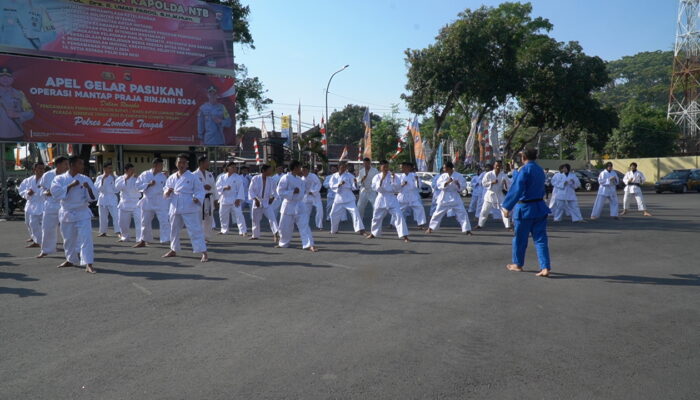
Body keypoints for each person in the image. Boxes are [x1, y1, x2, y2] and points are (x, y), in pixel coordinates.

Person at [502, 148, 552, 277]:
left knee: (520, 239)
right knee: (541, 239)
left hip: (525, 209)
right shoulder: (539, 170)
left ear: (524, 157)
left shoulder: (524, 170)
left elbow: (517, 188)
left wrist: (507, 206)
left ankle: (518, 264)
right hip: (539, 207)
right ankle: (545, 267)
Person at [50, 156, 97, 273]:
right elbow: (55, 193)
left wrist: (89, 189)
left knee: (86, 238)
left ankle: (88, 263)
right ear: (72, 165)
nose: (83, 166)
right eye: (80, 164)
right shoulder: (59, 179)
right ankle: (70, 259)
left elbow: (93, 197)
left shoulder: (85, 179)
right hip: (67, 212)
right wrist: (71, 185)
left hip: (82, 212)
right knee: (68, 239)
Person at [162, 154, 208, 263]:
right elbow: (165, 189)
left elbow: (200, 190)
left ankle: (204, 252)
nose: (181, 164)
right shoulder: (171, 177)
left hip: (189, 205)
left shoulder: (192, 177)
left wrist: (197, 198)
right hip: (175, 205)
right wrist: (167, 192)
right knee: (173, 229)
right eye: (179, 162)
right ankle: (173, 249)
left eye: (183, 162)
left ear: (187, 164)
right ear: (176, 163)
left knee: (195, 230)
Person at [275, 160, 317, 252]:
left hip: (300, 204)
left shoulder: (300, 179)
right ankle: (283, 243)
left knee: (304, 225)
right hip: (288, 204)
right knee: (284, 226)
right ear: (295, 168)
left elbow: (305, 190)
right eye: (299, 167)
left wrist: (303, 185)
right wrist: (292, 192)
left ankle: (309, 244)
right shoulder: (285, 178)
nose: (301, 169)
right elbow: (280, 192)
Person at [366, 160, 409, 242]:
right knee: (376, 217)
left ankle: (404, 235)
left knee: (399, 216)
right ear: (380, 167)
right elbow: (375, 188)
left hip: (391, 198)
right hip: (381, 198)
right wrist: (382, 179)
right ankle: (373, 233)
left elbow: (398, 189)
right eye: (384, 166)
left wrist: (394, 180)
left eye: (387, 166)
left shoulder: (394, 176)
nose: (386, 168)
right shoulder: (377, 177)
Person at [426, 162, 472, 235]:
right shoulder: (443, 176)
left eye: (445, 168)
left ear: (450, 168)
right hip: (444, 196)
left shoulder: (459, 176)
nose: (444, 169)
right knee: (437, 213)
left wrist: (458, 184)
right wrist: (447, 182)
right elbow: (439, 185)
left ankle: (467, 230)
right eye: (444, 168)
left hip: (455, 196)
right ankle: (430, 228)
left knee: (462, 213)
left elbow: (463, 186)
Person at [134, 158, 170, 247]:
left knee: (164, 220)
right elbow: (137, 186)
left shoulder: (163, 176)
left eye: (162, 165)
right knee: (144, 221)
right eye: (160, 165)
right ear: (155, 165)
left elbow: (167, 187)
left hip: (160, 200)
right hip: (147, 200)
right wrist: (148, 184)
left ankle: (166, 239)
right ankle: (144, 240)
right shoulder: (145, 174)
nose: (162, 167)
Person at [37, 155, 68, 258]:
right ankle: (46, 249)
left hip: (65, 205)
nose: (67, 166)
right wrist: (47, 192)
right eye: (65, 164)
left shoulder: (69, 175)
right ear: (58, 164)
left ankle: (74, 250)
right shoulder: (47, 175)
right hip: (50, 205)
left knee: (68, 229)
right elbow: (42, 189)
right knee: (47, 228)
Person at [329, 161, 366, 235]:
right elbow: (331, 185)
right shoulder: (334, 176)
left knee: (355, 213)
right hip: (339, 197)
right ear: (339, 167)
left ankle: (361, 229)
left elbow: (354, 187)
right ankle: (334, 230)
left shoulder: (349, 175)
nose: (344, 168)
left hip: (349, 197)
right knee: (333, 214)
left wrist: (355, 183)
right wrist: (339, 185)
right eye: (343, 167)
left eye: (345, 167)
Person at [0, 66, 34, 141]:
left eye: (8, 76)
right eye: (2, 76)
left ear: (12, 79)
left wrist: (17, 115)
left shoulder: (19, 94)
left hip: (16, 135)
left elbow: (30, 113)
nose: (5, 79)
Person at [476, 160, 511, 230]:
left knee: (504, 210)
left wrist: (505, 184)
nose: (498, 167)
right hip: (490, 194)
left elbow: (508, 187)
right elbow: (484, 183)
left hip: (499, 195)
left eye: (499, 165)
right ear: (494, 166)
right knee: (484, 211)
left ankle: (508, 226)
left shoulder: (504, 176)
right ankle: (480, 225)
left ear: (501, 166)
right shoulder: (489, 174)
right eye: (496, 165)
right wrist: (492, 182)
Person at [248, 164, 279, 241]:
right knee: (255, 220)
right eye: (270, 170)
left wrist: (272, 198)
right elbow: (251, 190)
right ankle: (255, 235)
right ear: (264, 171)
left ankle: (276, 233)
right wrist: (255, 200)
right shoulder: (255, 178)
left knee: (272, 218)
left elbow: (275, 191)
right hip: (257, 201)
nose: (271, 171)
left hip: (266, 202)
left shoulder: (271, 180)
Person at [216, 161, 248, 236]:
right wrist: (224, 188)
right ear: (228, 168)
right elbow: (217, 187)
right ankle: (224, 230)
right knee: (223, 215)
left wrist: (238, 199)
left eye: (235, 167)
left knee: (239, 215)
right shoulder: (222, 177)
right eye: (232, 167)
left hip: (234, 198)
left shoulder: (238, 177)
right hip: (224, 198)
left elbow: (241, 189)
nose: (234, 169)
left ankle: (243, 231)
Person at [115, 163, 143, 243]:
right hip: (124, 203)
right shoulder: (120, 178)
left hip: (136, 203)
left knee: (139, 222)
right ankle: (125, 237)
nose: (133, 171)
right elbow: (117, 188)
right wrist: (126, 179)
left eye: (133, 170)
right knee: (122, 223)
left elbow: (141, 187)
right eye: (131, 170)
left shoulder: (137, 179)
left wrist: (138, 178)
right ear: (126, 170)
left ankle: (140, 238)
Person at [19, 161, 45, 248]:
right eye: (39, 168)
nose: (41, 170)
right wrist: (27, 193)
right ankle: (35, 238)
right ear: (34, 169)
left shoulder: (46, 180)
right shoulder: (28, 180)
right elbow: (21, 190)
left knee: (41, 224)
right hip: (30, 204)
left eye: (43, 168)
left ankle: (40, 241)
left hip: (42, 204)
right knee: (28, 223)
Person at [195, 155, 218, 241]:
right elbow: (193, 187)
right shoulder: (194, 174)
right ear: (201, 163)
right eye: (207, 162)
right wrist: (203, 187)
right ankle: (199, 236)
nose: (208, 164)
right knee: (199, 218)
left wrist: (216, 199)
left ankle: (206, 237)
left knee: (209, 218)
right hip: (199, 199)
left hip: (209, 198)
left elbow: (214, 187)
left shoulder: (210, 175)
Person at [94, 162, 120, 237]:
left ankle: (118, 231)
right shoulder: (99, 177)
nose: (110, 170)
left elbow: (117, 189)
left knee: (115, 215)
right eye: (109, 168)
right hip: (103, 198)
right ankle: (103, 231)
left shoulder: (115, 177)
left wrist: (114, 178)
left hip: (112, 198)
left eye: (111, 168)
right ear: (104, 169)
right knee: (103, 216)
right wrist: (103, 179)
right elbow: (97, 188)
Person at [397, 162, 426, 227]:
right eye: (401, 167)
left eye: (403, 167)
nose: (401, 169)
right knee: (398, 210)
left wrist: (417, 180)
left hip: (413, 195)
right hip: (403, 196)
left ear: (408, 168)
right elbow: (396, 188)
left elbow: (418, 186)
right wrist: (402, 184)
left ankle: (420, 224)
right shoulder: (399, 176)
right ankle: (394, 224)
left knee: (419, 208)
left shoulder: (414, 175)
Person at [301, 165, 324, 230]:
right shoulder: (301, 178)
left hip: (315, 196)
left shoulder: (313, 176)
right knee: (305, 211)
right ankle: (304, 225)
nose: (303, 172)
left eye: (305, 170)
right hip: (306, 197)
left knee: (319, 210)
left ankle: (319, 225)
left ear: (308, 170)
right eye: (302, 171)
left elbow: (319, 184)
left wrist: (313, 191)